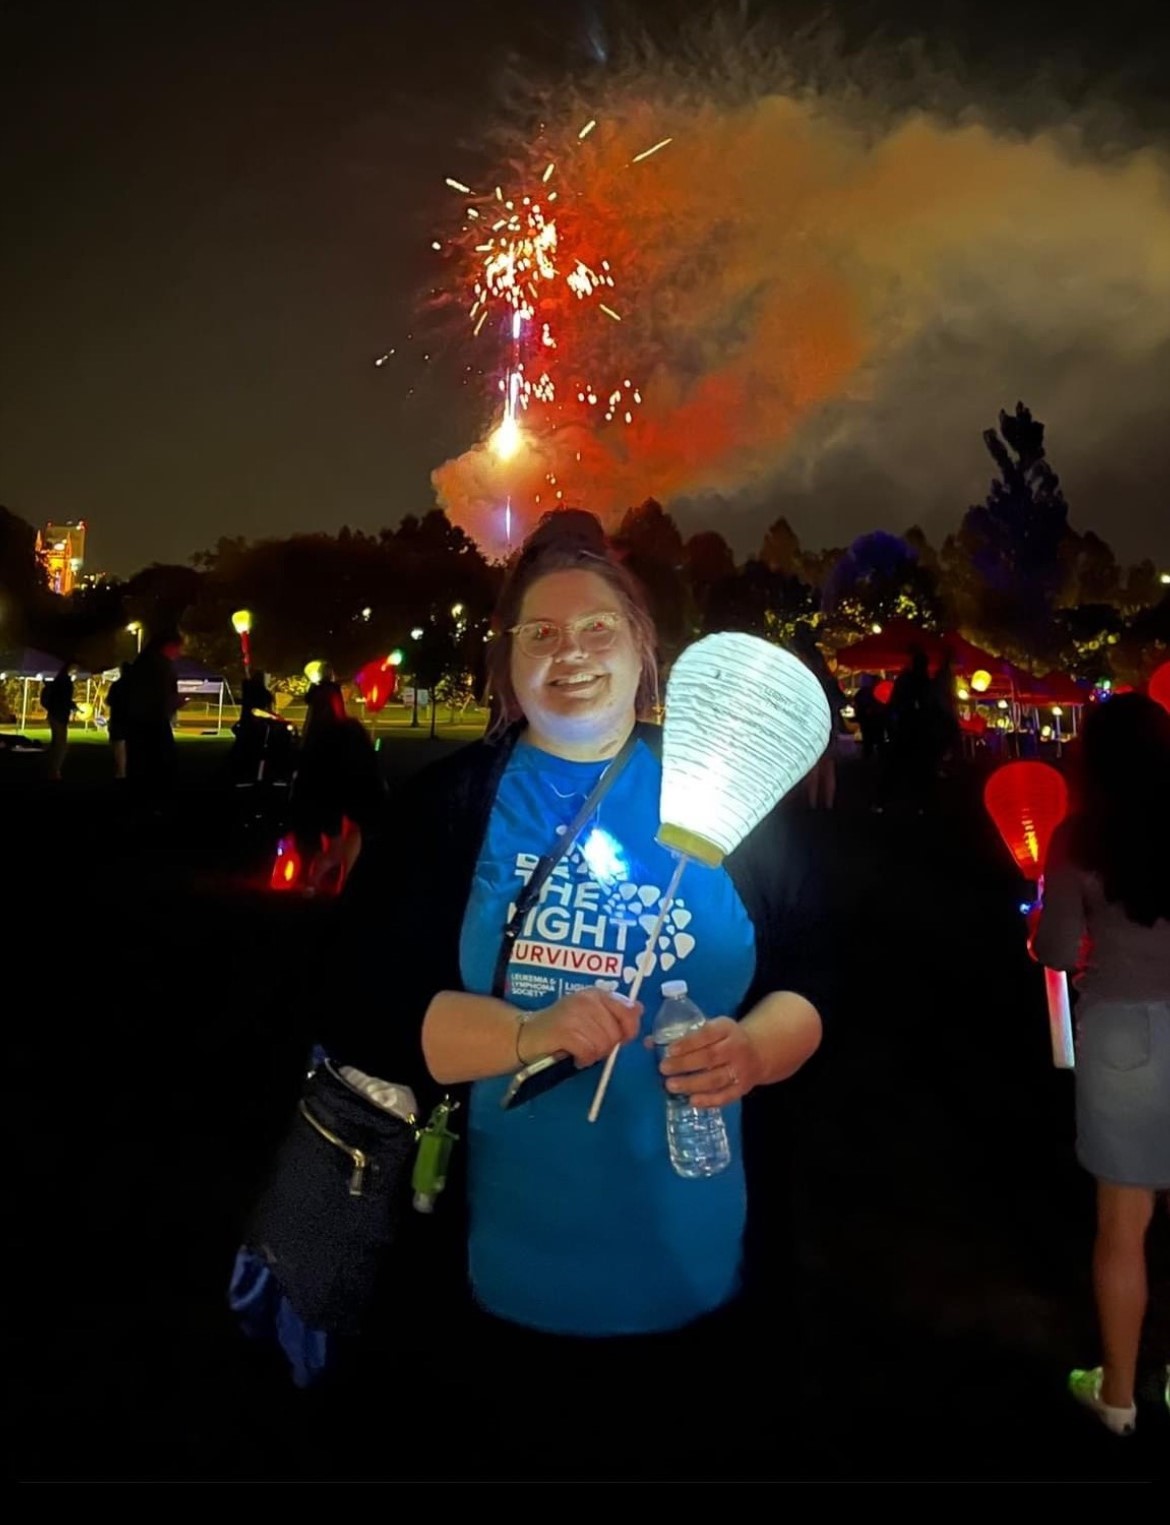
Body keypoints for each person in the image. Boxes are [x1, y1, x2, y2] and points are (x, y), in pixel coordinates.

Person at [319, 509, 827, 1476]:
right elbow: (363, 1002)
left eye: (599, 628)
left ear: (644, 650)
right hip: (498, 1271)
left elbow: (814, 967)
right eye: (540, 632)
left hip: (694, 1263)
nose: (571, 652)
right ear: (507, 659)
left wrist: (758, 1048)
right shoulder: (448, 807)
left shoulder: (723, 796)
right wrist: (525, 1033)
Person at [1032, 694, 1170, 1436]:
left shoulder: (1079, 837)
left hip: (1122, 1037)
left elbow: (1054, 951)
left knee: (1123, 1223)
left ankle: (1117, 1397)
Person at [125, 630, 183, 808]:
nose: (179, 653)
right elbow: (158, 697)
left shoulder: (144, 664)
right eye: (177, 648)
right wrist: (173, 702)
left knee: (143, 762)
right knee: (159, 763)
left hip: (141, 722)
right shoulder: (159, 666)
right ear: (168, 646)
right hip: (152, 722)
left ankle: (142, 798)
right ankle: (155, 801)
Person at [40, 663, 77, 781]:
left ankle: (52, 768)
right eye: (75, 668)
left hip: (56, 715)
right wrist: (72, 705)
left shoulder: (59, 681)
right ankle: (55, 770)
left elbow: (60, 699)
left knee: (57, 743)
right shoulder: (65, 682)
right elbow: (64, 699)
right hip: (59, 716)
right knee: (61, 745)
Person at [104, 663, 133, 780]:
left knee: (118, 746)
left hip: (118, 719)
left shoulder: (116, 685)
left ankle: (121, 771)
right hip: (132, 719)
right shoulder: (135, 686)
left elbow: (109, 701)